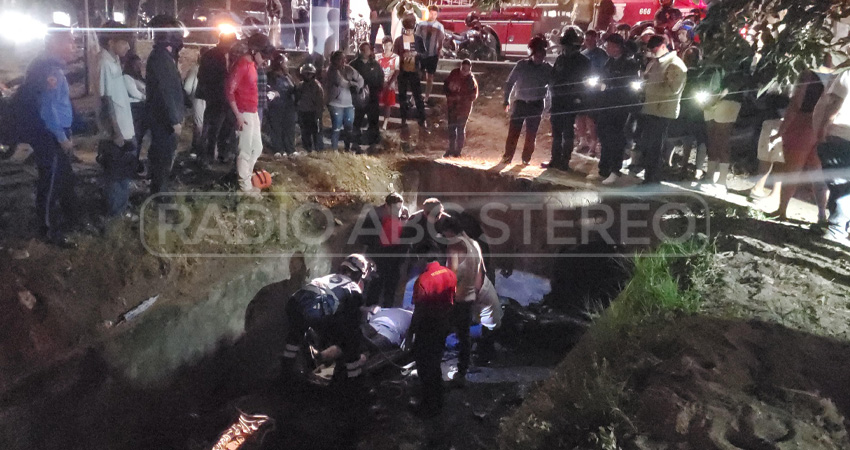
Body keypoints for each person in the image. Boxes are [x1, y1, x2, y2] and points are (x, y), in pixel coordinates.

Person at [17, 25, 79, 247]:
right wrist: (62, 137)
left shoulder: (49, 66)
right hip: (49, 135)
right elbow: (47, 108)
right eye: (69, 41)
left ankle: (65, 224)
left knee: (62, 180)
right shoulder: (49, 70)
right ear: (55, 43)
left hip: (53, 133)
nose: (73, 46)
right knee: (50, 184)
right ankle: (47, 232)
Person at [282, 254, 371, 384]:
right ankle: (354, 382)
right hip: (317, 310)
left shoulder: (327, 277)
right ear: (359, 275)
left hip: (294, 303)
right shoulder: (353, 288)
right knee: (351, 341)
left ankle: (285, 373)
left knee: (294, 339)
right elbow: (351, 323)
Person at [762, 70, 829, 222]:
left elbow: (796, 103)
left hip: (802, 124)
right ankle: (822, 215)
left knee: (792, 168)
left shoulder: (808, 75)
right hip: (824, 127)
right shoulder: (837, 76)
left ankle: (782, 209)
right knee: (818, 173)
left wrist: (782, 131)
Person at [408, 244, 456, 417]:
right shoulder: (449, 273)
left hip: (427, 326)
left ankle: (427, 405)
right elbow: (452, 300)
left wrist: (409, 334)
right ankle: (438, 401)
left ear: (422, 258)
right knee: (435, 363)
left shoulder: (423, 280)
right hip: (443, 325)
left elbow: (419, 311)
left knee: (424, 365)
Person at [96, 22, 136, 218]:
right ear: (111, 42)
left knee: (123, 175)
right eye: (124, 42)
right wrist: (116, 132)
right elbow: (106, 100)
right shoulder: (104, 63)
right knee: (115, 178)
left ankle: (121, 212)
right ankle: (114, 218)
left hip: (125, 129)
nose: (128, 47)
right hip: (116, 133)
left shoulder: (114, 61)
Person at [635, 35, 687, 183]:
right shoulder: (654, 63)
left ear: (663, 46)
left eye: (654, 49)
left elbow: (674, 89)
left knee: (656, 147)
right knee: (648, 145)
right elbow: (646, 79)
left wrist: (650, 88)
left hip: (662, 111)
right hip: (650, 109)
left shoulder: (675, 64)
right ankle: (648, 176)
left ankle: (653, 178)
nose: (651, 51)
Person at [146, 15, 186, 196]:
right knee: (162, 158)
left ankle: (160, 191)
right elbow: (166, 92)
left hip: (165, 119)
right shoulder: (161, 58)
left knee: (164, 157)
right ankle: (159, 196)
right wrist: (174, 120)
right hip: (163, 120)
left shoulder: (166, 57)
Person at [442, 216, 484, 388]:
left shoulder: (455, 245)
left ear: (449, 232)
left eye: (444, 234)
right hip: (469, 296)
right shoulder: (475, 244)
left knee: (441, 331)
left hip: (456, 297)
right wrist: (476, 294)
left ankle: (433, 372)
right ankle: (462, 371)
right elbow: (480, 273)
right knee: (464, 335)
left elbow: (451, 274)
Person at [593, 33, 640, 184]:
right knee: (604, 135)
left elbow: (629, 86)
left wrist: (611, 87)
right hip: (606, 104)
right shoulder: (610, 62)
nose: (607, 48)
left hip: (620, 107)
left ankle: (615, 169)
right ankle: (604, 167)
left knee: (616, 138)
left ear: (618, 47)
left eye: (610, 45)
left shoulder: (629, 64)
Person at [228, 34, 270, 196]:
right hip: (244, 112)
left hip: (252, 111)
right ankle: (244, 187)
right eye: (264, 55)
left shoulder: (251, 65)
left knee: (257, 148)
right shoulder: (242, 65)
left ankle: (246, 178)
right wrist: (238, 115)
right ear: (254, 51)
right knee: (245, 150)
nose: (265, 59)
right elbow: (229, 91)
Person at [544, 27, 591, 172]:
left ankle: (565, 160)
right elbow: (552, 77)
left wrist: (579, 99)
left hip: (571, 101)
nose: (565, 49)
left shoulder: (583, 61)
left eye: (567, 46)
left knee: (568, 132)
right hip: (558, 100)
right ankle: (555, 159)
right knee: (556, 132)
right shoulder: (561, 59)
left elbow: (583, 83)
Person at [813, 68, 850, 246]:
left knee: (839, 183)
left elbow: (835, 103)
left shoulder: (847, 74)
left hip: (841, 135)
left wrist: (823, 127)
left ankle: (837, 229)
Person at [501, 36, 552, 165]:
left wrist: (550, 105)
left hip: (536, 103)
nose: (539, 56)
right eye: (537, 53)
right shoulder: (521, 65)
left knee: (531, 134)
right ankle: (508, 156)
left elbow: (553, 87)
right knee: (514, 131)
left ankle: (526, 158)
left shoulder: (548, 69)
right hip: (521, 102)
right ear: (533, 52)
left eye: (542, 53)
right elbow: (510, 82)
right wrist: (506, 99)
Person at [700, 66, 745, 193]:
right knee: (712, 140)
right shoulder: (712, 59)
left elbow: (735, 82)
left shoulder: (736, 57)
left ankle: (721, 180)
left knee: (722, 140)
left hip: (727, 100)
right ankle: (709, 176)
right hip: (709, 99)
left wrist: (717, 97)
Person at [197, 31, 238, 166]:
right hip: (216, 97)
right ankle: (207, 156)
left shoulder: (229, 55)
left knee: (225, 127)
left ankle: (221, 154)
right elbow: (203, 75)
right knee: (213, 128)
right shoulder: (213, 55)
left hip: (224, 98)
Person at [363, 192, 410, 307]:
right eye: (395, 209)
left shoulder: (404, 214)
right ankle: (370, 310)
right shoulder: (375, 214)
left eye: (400, 208)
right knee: (375, 285)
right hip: (378, 254)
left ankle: (387, 310)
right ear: (387, 206)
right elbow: (365, 236)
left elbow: (407, 235)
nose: (398, 212)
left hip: (395, 255)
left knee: (391, 286)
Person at [325, 50, 365, 151]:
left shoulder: (348, 69)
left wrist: (359, 87)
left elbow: (360, 78)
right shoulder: (331, 70)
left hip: (348, 103)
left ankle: (347, 149)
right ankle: (334, 150)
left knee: (349, 128)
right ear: (334, 60)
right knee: (336, 127)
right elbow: (342, 82)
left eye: (344, 59)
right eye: (340, 59)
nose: (343, 61)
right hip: (335, 104)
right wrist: (354, 84)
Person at [394, 14, 427, 129]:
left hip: (414, 71)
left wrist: (417, 54)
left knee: (418, 96)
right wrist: (401, 57)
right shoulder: (399, 40)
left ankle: (422, 119)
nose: (409, 31)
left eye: (411, 29)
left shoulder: (418, 40)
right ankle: (403, 119)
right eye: (407, 29)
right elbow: (395, 56)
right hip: (403, 71)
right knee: (402, 97)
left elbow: (424, 54)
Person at [350, 42, 384, 150]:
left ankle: (373, 143)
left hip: (373, 97)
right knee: (357, 120)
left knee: (373, 120)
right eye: (362, 49)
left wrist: (379, 89)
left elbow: (381, 78)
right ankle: (355, 143)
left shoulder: (375, 64)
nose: (365, 52)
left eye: (367, 49)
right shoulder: (353, 64)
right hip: (358, 98)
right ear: (359, 51)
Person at [443, 59, 479, 158]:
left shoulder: (471, 81)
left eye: (466, 70)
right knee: (451, 128)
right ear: (461, 67)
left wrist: (461, 98)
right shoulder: (454, 73)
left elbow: (473, 96)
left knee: (460, 129)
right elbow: (446, 85)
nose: (464, 72)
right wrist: (450, 96)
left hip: (464, 108)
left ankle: (458, 151)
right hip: (452, 105)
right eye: (463, 69)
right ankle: (451, 148)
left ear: (470, 70)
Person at [267, 51, 298, 155]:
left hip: (288, 106)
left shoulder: (287, 76)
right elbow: (270, 91)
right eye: (285, 63)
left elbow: (293, 88)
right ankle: (278, 149)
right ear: (280, 64)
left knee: (289, 128)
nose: (287, 66)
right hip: (276, 106)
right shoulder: (271, 77)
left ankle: (290, 149)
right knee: (277, 128)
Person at [416, 5, 446, 103]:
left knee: (430, 76)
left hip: (432, 54)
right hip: (421, 54)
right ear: (428, 13)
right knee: (418, 75)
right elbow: (417, 38)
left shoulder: (439, 26)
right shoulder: (421, 24)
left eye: (435, 14)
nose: (433, 16)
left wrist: (439, 51)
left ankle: (426, 97)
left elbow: (441, 40)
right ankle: (415, 96)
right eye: (431, 13)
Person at [123, 55, 147, 168]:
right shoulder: (127, 78)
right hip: (134, 109)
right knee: (135, 137)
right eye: (137, 64)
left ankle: (135, 161)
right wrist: (146, 96)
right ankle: (131, 164)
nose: (139, 67)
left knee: (139, 137)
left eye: (140, 64)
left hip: (141, 109)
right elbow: (134, 93)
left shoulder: (138, 78)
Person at [296, 63, 324, 152]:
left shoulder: (317, 86)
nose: (307, 76)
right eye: (305, 74)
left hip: (313, 112)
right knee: (305, 132)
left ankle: (318, 149)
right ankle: (307, 149)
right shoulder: (300, 85)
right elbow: (297, 98)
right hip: (303, 112)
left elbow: (320, 101)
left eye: (309, 74)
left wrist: (318, 114)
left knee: (317, 132)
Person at [184, 49, 206, 157]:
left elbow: (187, 87)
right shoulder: (214, 69)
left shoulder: (195, 69)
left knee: (199, 124)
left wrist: (187, 97)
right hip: (211, 99)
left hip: (198, 98)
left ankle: (196, 149)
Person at [377, 36, 399, 130]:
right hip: (379, 83)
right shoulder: (377, 57)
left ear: (392, 46)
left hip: (390, 84)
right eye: (385, 45)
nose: (387, 47)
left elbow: (397, 71)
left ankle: (385, 123)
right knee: (376, 102)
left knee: (388, 104)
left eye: (389, 45)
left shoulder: (396, 57)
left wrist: (390, 83)